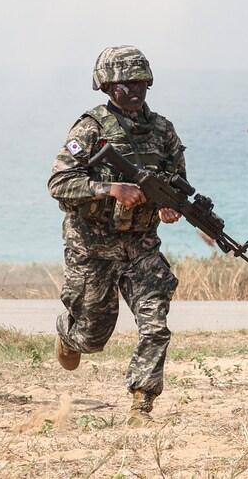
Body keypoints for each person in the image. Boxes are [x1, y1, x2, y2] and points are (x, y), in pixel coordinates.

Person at [48, 46, 185, 424]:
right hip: (92, 247)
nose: (135, 89)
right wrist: (110, 190)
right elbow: (59, 183)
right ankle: (68, 333)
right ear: (107, 86)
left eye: (141, 82)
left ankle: (141, 404)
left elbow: (176, 181)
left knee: (155, 327)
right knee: (92, 336)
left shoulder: (163, 131)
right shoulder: (89, 128)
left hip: (140, 247)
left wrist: (169, 206)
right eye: (126, 83)